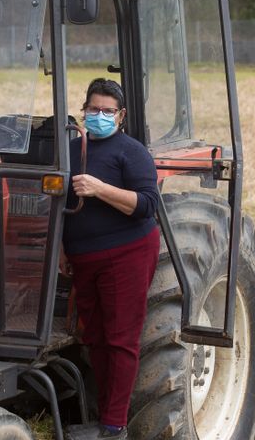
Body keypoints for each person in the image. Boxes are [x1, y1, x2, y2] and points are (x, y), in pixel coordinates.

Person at [62, 78, 160, 440]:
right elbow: (59, 204)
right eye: (93, 109)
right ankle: (102, 414)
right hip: (83, 258)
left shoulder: (130, 152)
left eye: (107, 111)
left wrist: (99, 188)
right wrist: (61, 249)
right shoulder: (70, 150)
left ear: (121, 116)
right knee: (95, 339)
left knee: (120, 339)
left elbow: (148, 205)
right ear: (83, 110)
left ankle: (114, 426)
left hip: (127, 254)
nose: (99, 115)